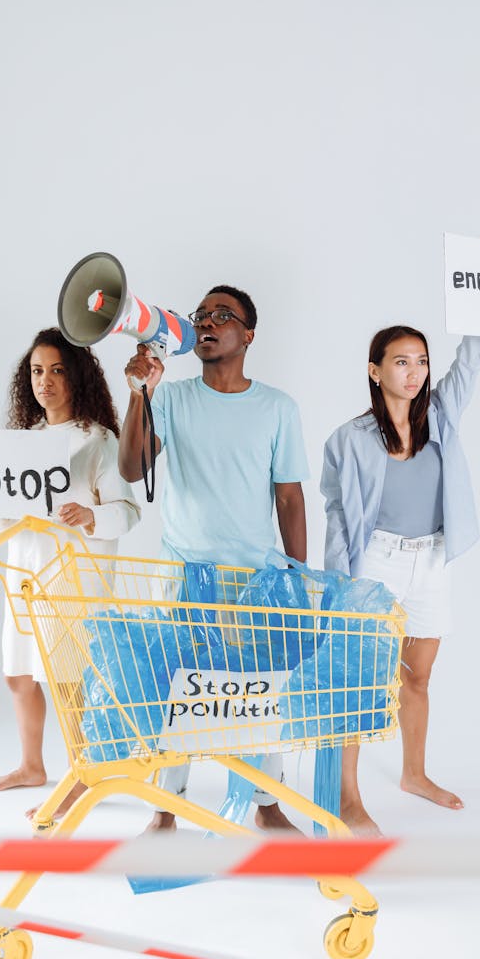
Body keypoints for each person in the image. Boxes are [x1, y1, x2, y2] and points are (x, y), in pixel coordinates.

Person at [320, 231, 480, 835]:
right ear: (375, 371)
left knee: (417, 675)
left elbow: (474, 357)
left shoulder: (442, 417)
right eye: (402, 361)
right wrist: (341, 584)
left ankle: (414, 773)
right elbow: (338, 515)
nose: (415, 370)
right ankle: (347, 797)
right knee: (357, 679)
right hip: (374, 563)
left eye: (422, 360)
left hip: (432, 560)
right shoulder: (348, 439)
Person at [119, 284, 310, 831]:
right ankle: (164, 809)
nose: (208, 322)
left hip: (255, 579)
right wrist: (140, 393)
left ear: (248, 334)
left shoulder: (277, 408)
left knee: (259, 691)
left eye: (223, 315)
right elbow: (133, 470)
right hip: (183, 575)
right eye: (201, 315)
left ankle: (266, 804)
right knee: (177, 689)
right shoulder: (173, 398)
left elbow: (289, 497)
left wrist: (296, 578)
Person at [0, 327, 141, 797]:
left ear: (77, 377)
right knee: (18, 674)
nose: (46, 381)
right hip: (27, 579)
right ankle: (31, 766)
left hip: (74, 583)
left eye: (58, 370)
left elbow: (128, 512)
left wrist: (90, 516)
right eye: (38, 371)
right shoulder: (24, 443)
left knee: (67, 682)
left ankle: (82, 776)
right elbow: (15, 517)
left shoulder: (98, 441)